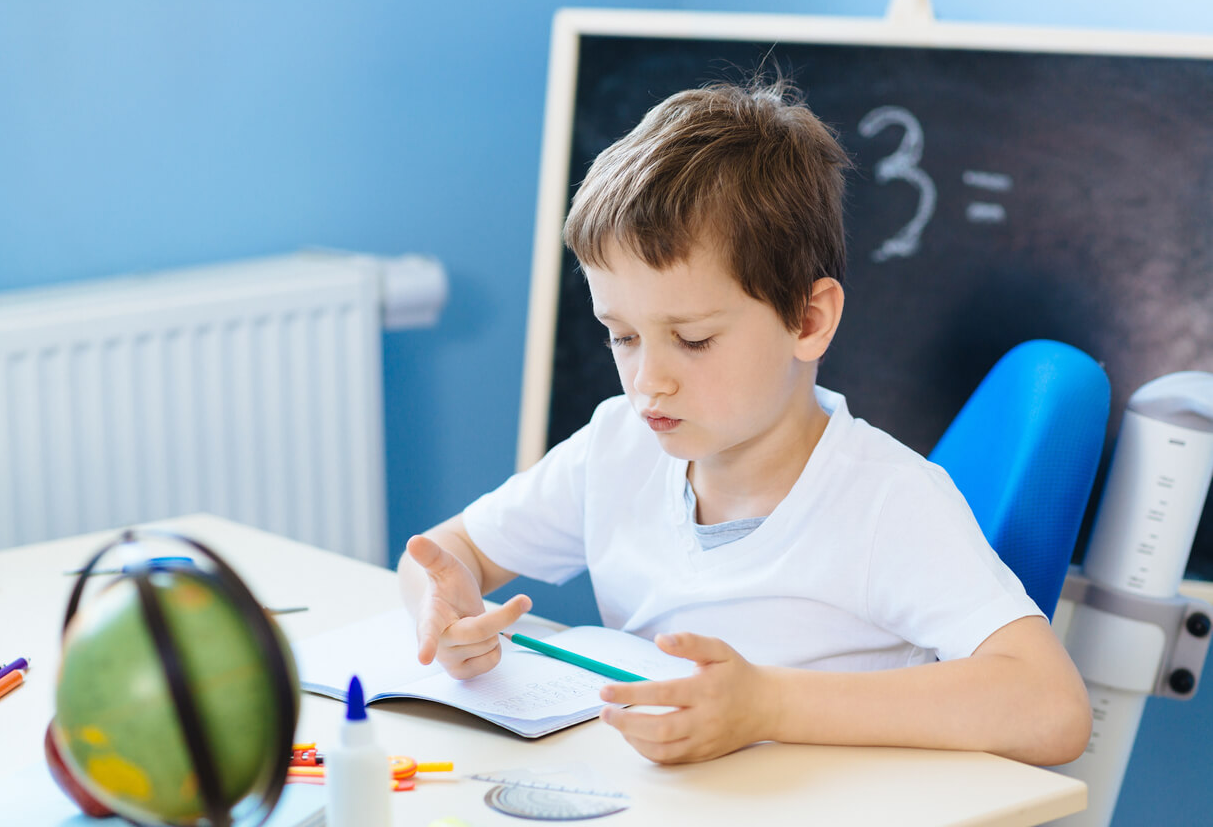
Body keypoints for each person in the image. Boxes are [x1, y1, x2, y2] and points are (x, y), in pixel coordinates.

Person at [398, 78, 1091, 766]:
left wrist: (769, 705)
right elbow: (446, 553)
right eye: (623, 335)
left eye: (693, 339)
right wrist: (443, 609)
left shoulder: (889, 502)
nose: (648, 381)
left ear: (808, 320)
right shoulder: (617, 447)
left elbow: (1052, 708)